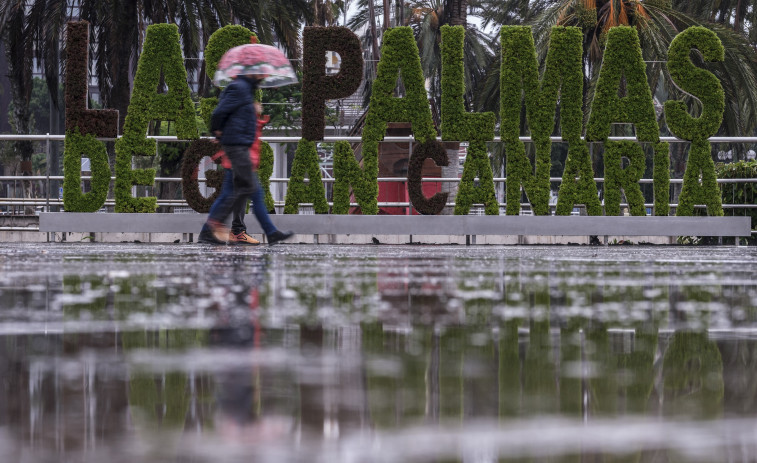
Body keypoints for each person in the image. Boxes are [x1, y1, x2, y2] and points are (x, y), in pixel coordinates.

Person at [199, 73, 293, 245]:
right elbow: (219, 113)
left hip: (240, 147)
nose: (264, 75)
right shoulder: (239, 88)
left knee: (243, 192)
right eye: (260, 72)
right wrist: (217, 131)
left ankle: (209, 230)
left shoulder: (245, 91)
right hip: (237, 148)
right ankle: (213, 226)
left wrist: (254, 112)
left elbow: (238, 119)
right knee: (247, 190)